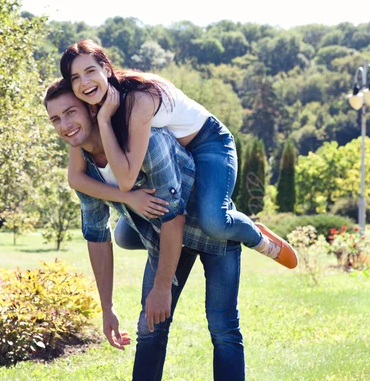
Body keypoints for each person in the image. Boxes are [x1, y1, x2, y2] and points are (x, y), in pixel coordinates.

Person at [44, 78, 245, 381]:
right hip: (166, 238)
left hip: (210, 232)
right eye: (56, 119)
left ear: (90, 109)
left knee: (222, 328)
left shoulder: (145, 139)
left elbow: (174, 215)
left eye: (71, 112)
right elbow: (97, 235)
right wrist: (107, 307)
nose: (64, 125)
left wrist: (162, 287)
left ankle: (246, 227)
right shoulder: (84, 167)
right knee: (150, 328)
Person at [60, 39, 298, 269]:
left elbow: (126, 180)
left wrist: (103, 120)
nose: (84, 82)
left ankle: (256, 236)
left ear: (106, 67)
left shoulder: (135, 98)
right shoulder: (95, 107)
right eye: (75, 78)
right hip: (177, 152)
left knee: (214, 222)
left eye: (90, 71)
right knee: (125, 236)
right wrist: (129, 198)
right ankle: (188, 242)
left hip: (208, 142)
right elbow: (76, 179)